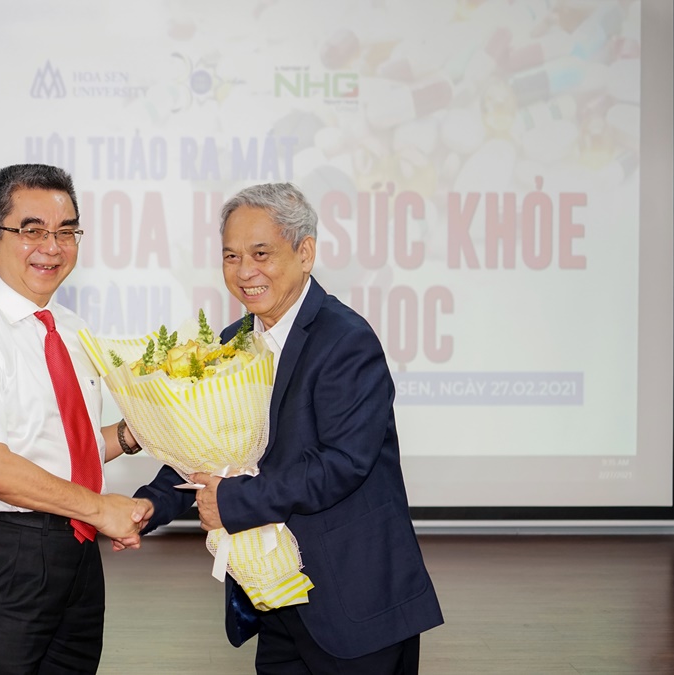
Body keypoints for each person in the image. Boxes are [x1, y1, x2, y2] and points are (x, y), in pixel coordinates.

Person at [129, 182, 443, 674]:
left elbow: (343, 463)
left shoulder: (346, 341)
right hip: (276, 597)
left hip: (355, 602)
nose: (244, 271)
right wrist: (148, 506)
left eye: (261, 254)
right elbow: (204, 448)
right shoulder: (232, 342)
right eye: (231, 256)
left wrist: (233, 502)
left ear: (305, 253)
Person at [0, 163, 149, 675]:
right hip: (1, 561)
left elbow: (61, 448)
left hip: (76, 557)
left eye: (66, 231)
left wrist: (132, 434)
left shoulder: (71, 330)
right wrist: (101, 508)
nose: (52, 247)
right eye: (32, 230)